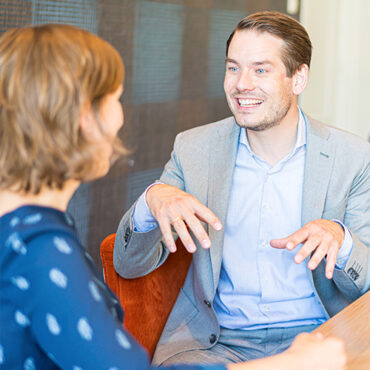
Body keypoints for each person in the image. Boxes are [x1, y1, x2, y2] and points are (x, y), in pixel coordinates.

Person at [0, 23, 347, 370]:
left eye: (260, 69)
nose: (121, 118)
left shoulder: (24, 234)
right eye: (115, 99)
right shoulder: (42, 251)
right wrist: (291, 365)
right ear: (83, 119)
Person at [114, 10, 370, 367]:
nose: (241, 84)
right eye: (233, 68)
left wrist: (340, 240)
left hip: (320, 335)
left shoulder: (353, 157)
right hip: (215, 344)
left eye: (260, 70)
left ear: (298, 78)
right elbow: (127, 265)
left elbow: (365, 279)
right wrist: (150, 200)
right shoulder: (194, 149)